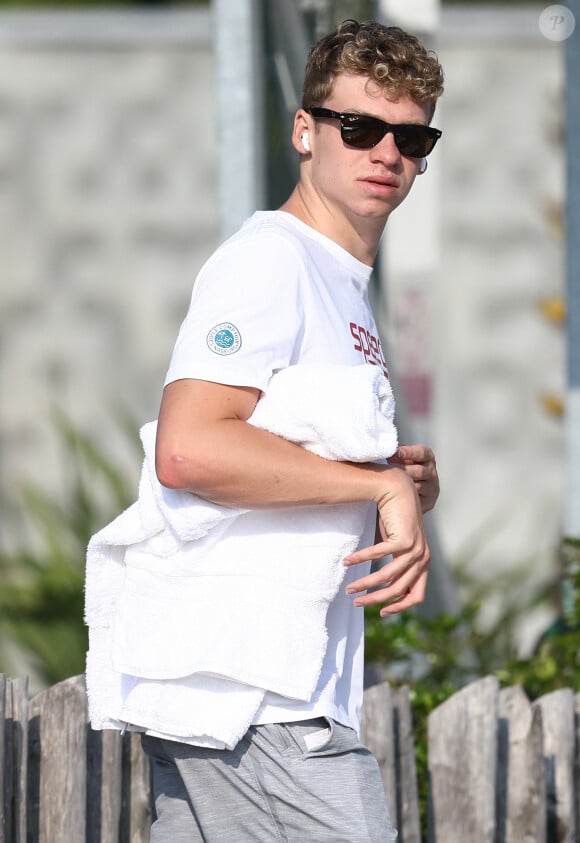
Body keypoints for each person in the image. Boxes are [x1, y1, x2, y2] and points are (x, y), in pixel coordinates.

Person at [89, 17, 444, 842]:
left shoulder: (341, 285)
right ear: (305, 132)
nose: (386, 152)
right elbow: (189, 447)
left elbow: (280, 445)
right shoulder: (270, 261)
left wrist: (393, 473)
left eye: (410, 134)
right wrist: (374, 483)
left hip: (259, 694)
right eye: (358, 128)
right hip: (260, 701)